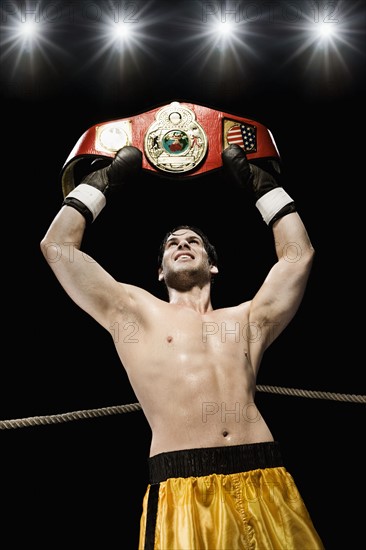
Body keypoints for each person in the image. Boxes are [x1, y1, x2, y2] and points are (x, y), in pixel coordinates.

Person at [40, 143, 325, 549]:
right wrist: (99, 184)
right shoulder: (133, 314)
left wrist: (263, 189)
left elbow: (298, 257)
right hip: (182, 486)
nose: (182, 244)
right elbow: (59, 249)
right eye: (172, 243)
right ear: (160, 270)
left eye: (193, 241)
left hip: (267, 475)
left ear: (212, 264)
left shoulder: (247, 321)